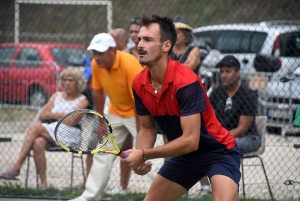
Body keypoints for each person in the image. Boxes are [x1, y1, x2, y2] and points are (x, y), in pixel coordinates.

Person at [122, 15, 241, 201]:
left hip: (218, 152)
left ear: (166, 46)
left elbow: (191, 140)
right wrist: (140, 158)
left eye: (147, 39)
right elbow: (146, 128)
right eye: (139, 40)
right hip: (184, 157)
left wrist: (145, 153)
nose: (139, 45)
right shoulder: (138, 83)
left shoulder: (186, 82)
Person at [69, 33, 142, 201]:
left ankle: (161, 196)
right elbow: (98, 92)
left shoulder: (130, 65)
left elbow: (140, 101)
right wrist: (102, 120)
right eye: (94, 53)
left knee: (146, 152)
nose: (97, 57)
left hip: (139, 113)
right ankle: (90, 196)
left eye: (100, 53)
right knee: (103, 152)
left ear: (112, 50)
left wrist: (142, 129)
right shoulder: (96, 64)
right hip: (115, 111)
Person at [0, 67, 88, 188]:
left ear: (78, 83)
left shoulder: (83, 100)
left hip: (71, 134)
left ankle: (16, 167)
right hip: (53, 130)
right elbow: (42, 115)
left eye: (71, 80)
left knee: (35, 128)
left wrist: (55, 116)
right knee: (38, 142)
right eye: (65, 80)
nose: (67, 83)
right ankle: (43, 184)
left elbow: (70, 122)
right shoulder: (56, 96)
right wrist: (59, 114)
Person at [170, 16, 211, 196]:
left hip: (191, 100)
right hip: (172, 100)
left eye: (179, 32)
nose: (176, 35)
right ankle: (175, 184)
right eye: (174, 31)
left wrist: (167, 69)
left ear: (186, 34)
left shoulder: (194, 50)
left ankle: (206, 185)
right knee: (172, 142)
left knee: (195, 143)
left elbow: (187, 68)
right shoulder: (168, 51)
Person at [209, 55, 261, 154]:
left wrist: (219, 139)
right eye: (222, 71)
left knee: (225, 146)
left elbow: (241, 130)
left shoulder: (248, 94)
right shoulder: (217, 92)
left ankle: (225, 169)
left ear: (237, 73)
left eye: (228, 71)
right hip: (222, 137)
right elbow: (209, 120)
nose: (224, 75)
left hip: (247, 138)